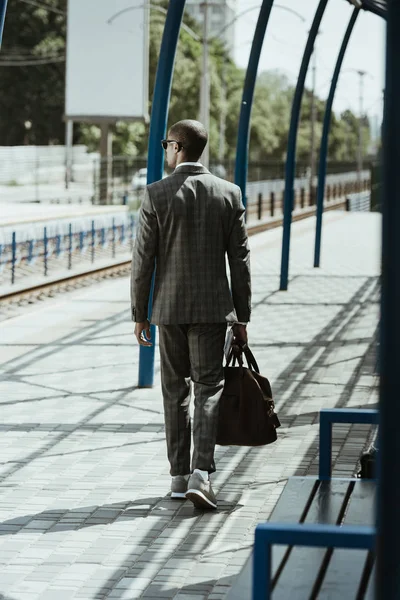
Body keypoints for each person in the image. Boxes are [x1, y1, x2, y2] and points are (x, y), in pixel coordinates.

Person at [131, 119, 251, 509]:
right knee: (208, 388)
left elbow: (142, 260)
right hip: (214, 311)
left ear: (178, 147)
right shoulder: (228, 193)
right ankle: (203, 473)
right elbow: (241, 261)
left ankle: (178, 478)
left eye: (168, 143)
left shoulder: (156, 194)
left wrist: (140, 313)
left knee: (174, 391)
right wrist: (243, 317)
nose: (166, 149)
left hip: (169, 310)